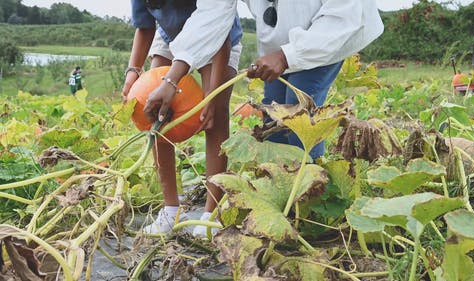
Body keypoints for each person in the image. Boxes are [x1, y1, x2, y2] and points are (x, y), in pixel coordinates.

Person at [144, 0, 384, 160]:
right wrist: (171, 79)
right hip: (278, 41)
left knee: (299, 115)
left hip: (326, 37)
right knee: (274, 118)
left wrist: (286, 56)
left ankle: (309, 197)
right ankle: (281, 190)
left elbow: (343, 18)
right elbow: (211, 15)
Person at [121, 0, 242, 237]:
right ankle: (170, 209)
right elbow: (145, 27)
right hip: (170, 36)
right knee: (153, 111)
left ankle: (211, 214)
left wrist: (211, 96)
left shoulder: (215, 20)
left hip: (217, 33)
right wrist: (133, 71)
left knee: (214, 117)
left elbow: (218, 29)